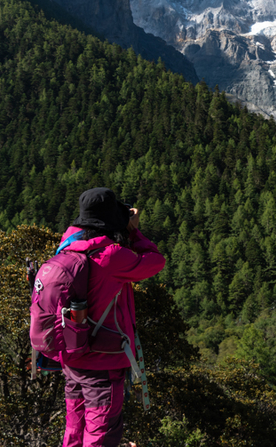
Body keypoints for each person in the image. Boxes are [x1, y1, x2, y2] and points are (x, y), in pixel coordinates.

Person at [59, 187, 165, 447]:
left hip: (71, 355)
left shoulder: (67, 247)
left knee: (74, 428)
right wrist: (132, 231)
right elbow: (155, 261)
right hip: (103, 362)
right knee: (101, 434)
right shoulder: (111, 257)